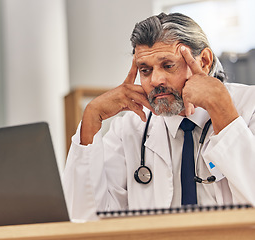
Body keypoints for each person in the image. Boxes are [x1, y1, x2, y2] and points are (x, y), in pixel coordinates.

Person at [62, 12, 255, 221]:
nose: (155, 80)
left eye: (168, 66)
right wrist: (92, 117)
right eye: (145, 70)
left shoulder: (249, 108)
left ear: (205, 61)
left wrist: (223, 113)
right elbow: (84, 219)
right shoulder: (131, 127)